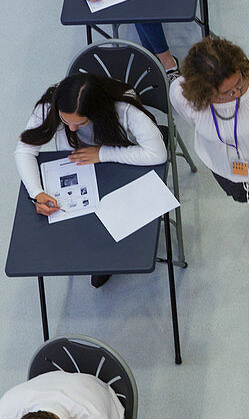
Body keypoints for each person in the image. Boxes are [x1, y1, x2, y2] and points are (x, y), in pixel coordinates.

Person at [170, 37, 249, 312]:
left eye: (239, 84)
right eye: (224, 93)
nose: (236, 93)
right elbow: (191, 120)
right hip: (225, 169)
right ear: (202, 93)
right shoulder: (181, 94)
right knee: (247, 201)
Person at [14, 73, 168, 287]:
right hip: (80, 164)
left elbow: (157, 154)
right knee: (83, 221)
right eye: (65, 121)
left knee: (120, 216)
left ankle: (109, 258)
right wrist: (36, 192)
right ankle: (101, 261)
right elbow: (24, 150)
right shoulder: (50, 105)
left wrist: (102, 154)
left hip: (119, 155)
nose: (72, 129)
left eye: (81, 122)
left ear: (99, 113)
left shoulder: (124, 108)